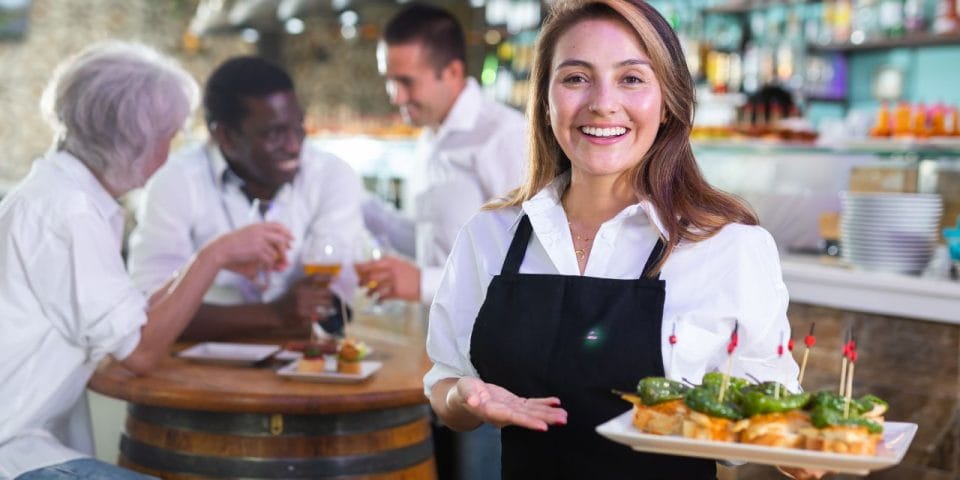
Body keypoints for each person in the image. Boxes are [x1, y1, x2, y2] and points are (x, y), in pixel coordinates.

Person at [423, 1, 816, 479]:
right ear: (545, 102)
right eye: (575, 78)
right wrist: (465, 398)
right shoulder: (489, 236)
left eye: (631, 79)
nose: (603, 103)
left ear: (668, 100)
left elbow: (776, 423)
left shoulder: (730, 248)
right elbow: (445, 379)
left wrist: (804, 453)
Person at [0, 42, 292, 480]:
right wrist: (216, 255)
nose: (169, 152)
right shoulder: (69, 212)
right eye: (168, 136)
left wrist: (209, 261)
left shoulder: (63, 196)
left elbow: (129, 321)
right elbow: (139, 351)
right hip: (12, 448)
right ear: (133, 142)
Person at [128, 56, 365, 341]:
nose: (293, 145)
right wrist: (274, 315)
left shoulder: (331, 175)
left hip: (301, 363)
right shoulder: (176, 181)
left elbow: (332, 305)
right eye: (274, 133)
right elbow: (150, 311)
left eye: (298, 126)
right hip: (195, 368)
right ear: (225, 137)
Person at [357, 2, 528, 306]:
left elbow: (528, 262)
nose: (395, 96)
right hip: (438, 341)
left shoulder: (504, 136)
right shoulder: (430, 136)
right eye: (389, 80)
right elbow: (431, 240)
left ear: (452, 72)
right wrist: (362, 208)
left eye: (406, 81)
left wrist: (423, 282)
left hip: (492, 346)